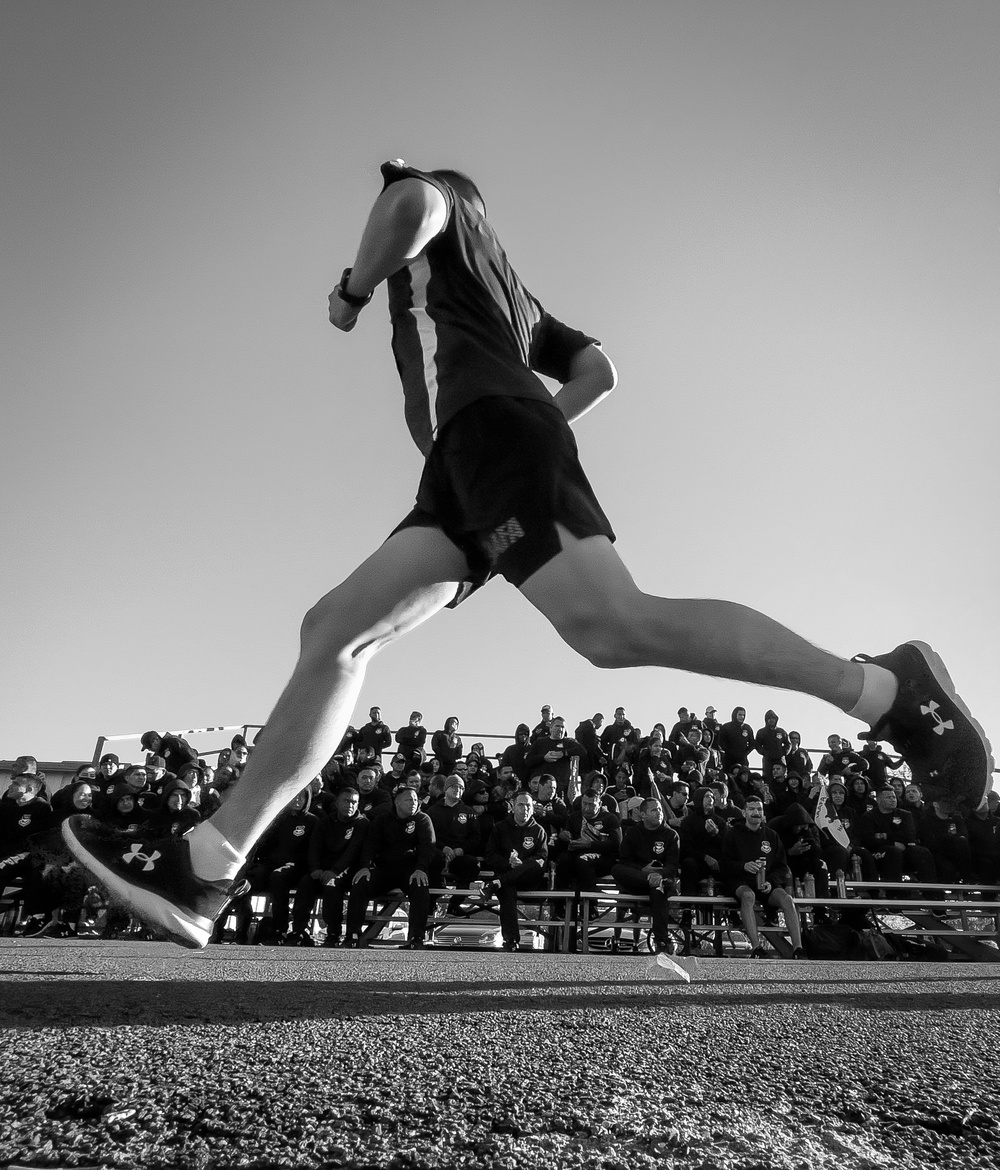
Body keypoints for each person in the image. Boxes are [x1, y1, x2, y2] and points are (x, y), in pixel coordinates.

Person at [62, 158, 993, 949]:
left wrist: (352, 292)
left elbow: (412, 203)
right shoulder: (510, 300)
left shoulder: (438, 218)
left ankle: (886, 692)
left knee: (612, 626)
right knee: (335, 630)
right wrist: (536, 421)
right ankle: (207, 865)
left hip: (492, 439)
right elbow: (601, 370)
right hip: (467, 468)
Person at [721, 797, 805, 959]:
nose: (756, 813)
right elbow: (724, 865)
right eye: (752, 809)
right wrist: (743, 866)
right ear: (744, 812)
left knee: (787, 899)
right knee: (748, 896)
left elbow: (782, 867)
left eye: (759, 809)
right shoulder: (732, 834)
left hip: (766, 883)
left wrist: (771, 881)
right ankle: (756, 947)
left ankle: (798, 949)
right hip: (740, 881)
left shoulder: (771, 836)